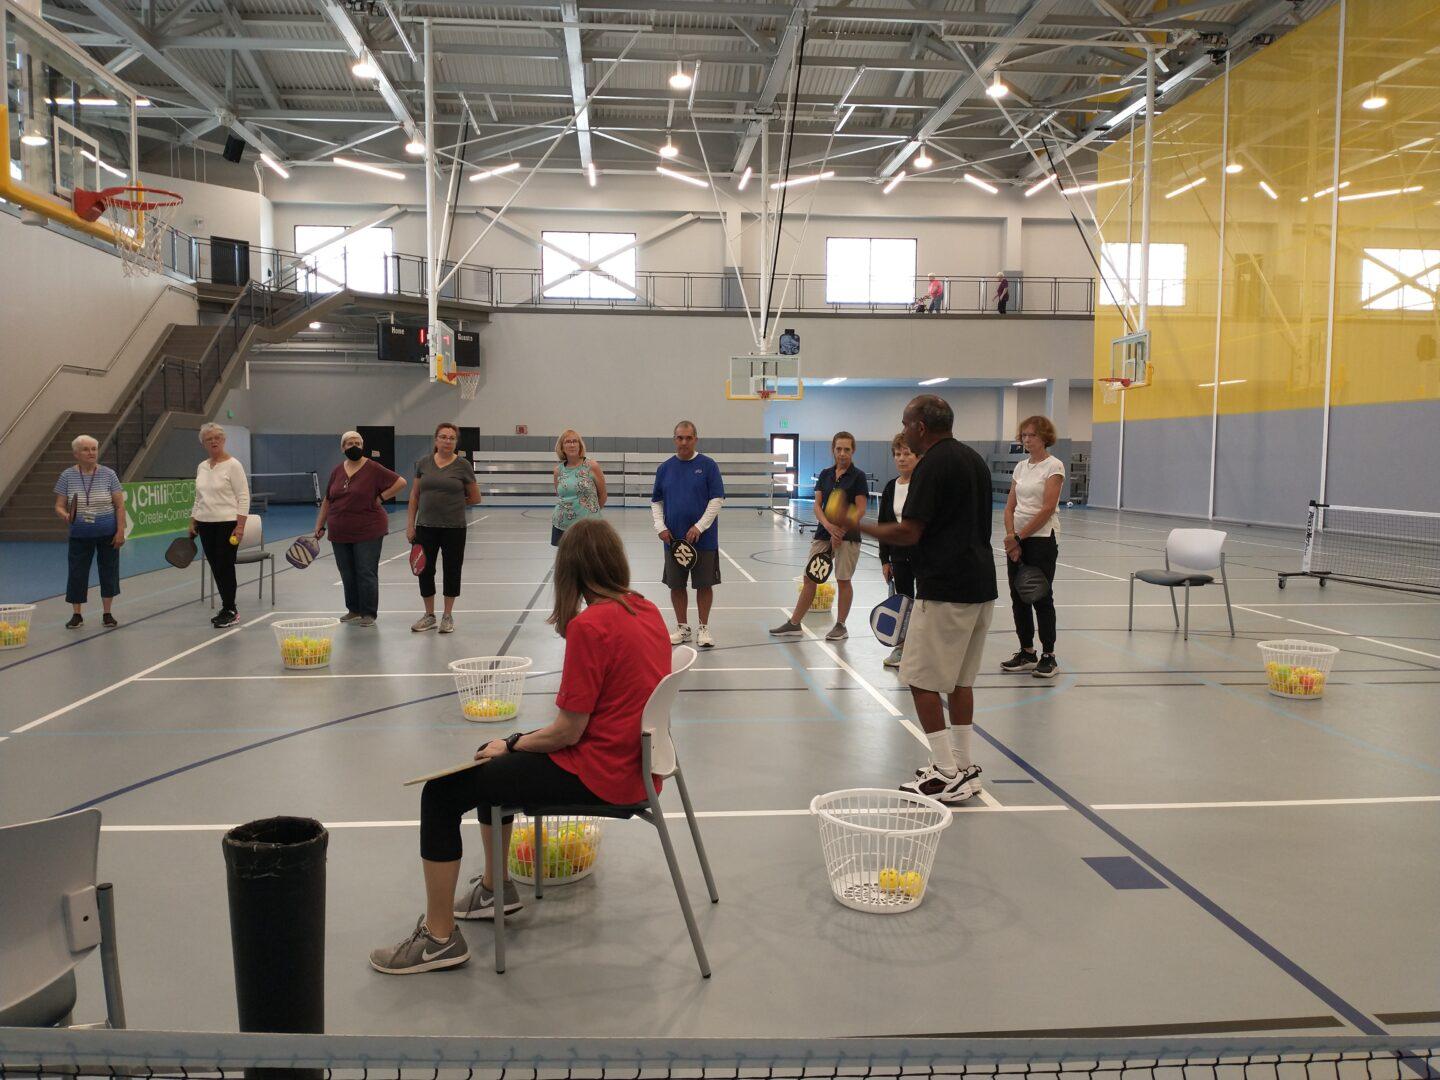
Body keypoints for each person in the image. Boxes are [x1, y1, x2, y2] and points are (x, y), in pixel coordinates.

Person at [369, 517, 672, 975]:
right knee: (495, 761)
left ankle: (438, 938)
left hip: (602, 774)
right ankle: (494, 888)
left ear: (568, 570)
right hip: (640, 764)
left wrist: (513, 742)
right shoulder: (646, 609)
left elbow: (567, 732)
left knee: (443, 794)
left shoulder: (592, 627)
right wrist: (512, 748)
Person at [856, 395, 997, 804]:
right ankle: (964, 765)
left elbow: (909, 532)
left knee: (918, 679)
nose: (902, 430)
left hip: (945, 589)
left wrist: (857, 525)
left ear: (920, 427)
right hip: (981, 586)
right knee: (959, 681)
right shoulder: (973, 460)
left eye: (905, 423)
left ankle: (944, 772)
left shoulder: (931, 465)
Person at [770, 431, 867, 641]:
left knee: (843, 580)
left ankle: (841, 625)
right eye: (839, 449)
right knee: (810, 577)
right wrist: (829, 526)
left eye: (847, 450)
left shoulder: (858, 476)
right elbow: (817, 505)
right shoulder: (825, 474)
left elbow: (860, 509)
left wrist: (841, 528)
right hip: (824, 533)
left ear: (853, 451)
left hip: (847, 536)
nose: (842, 453)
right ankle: (794, 623)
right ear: (833, 449)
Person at [314, 430, 406, 627]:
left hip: (369, 529)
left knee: (365, 571)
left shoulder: (374, 468)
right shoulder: (337, 471)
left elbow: (401, 482)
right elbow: (328, 499)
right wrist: (319, 525)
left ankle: (368, 613)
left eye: (357, 443)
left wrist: (381, 498)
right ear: (342, 448)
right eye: (349, 443)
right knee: (346, 571)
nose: (353, 446)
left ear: (362, 446)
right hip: (339, 530)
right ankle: (353, 609)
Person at [1001, 415, 1065, 678]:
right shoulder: (1020, 467)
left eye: (1032, 435)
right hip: (1017, 539)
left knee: (1039, 596)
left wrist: (1020, 537)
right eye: (1024, 435)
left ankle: (1049, 655)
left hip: (1041, 539)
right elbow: (1010, 506)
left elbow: (1047, 508)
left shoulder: (1054, 466)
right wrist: (1010, 536)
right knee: (1018, 597)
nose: (1027, 440)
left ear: (1044, 438)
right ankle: (1027, 651)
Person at [652, 420, 725, 649]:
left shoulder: (708, 465)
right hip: (673, 542)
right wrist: (660, 527)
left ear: (695, 439)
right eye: (680, 438)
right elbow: (656, 502)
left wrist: (699, 527)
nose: (684, 442)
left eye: (688, 438)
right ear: (675, 440)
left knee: (704, 585)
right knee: (676, 585)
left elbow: (717, 500)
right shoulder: (664, 468)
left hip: (704, 540)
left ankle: (703, 628)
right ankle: (682, 627)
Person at [406, 422, 480, 634]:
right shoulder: (423, 463)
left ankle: (447, 616)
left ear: (456, 442)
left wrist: (453, 503)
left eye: (452, 438)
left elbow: (475, 497)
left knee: (452, 570)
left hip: (454, 528)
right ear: (436, 440)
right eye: (443, 437)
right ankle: (429, 615)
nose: (447, 441)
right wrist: (410, 525)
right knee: (424, 571)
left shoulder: (463, 466)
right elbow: (415, 495)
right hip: (425, 527)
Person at [52, 435, 126, 629]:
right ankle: (77, 615)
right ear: (76, 453)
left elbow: (119, 506)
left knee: (108, 572)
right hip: (79, 535)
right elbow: (59, 506)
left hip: (107, 534)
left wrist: (120, 531)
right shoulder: (67, 476)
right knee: (77, 573)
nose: (91, 453)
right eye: (86, 449)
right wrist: (66, 515)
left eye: (94, 449)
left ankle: (107, 613)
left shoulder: (109, 474)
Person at [189, 423, 250, 629]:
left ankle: (231, 609)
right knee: (216, 567)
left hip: (227, 524)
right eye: (209, 439)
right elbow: (199, 497)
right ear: (203, 443)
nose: (213, 441)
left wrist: (240, 526)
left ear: (223, 440)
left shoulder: (234, 465)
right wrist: (193, 520)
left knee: (225, 566)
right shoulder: (202, 466)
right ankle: (226, 607)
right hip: (206, 525)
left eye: (217, 437)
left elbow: (243, 496)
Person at [877, 432, 920, 668]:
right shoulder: (891, 487)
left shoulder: (924, 484)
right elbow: (884, 525)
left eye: (907, 453)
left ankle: (923, 649)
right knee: (904, 603)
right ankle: (902, 648)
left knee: (925, 604)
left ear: (917, 456)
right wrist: (885, 559)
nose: (901, 458)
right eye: (897, 454)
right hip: (899, 556)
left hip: (924, 556)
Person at [551, 428, 606, 547]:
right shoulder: (558, 471)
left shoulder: (592, 466)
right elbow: (561, 496)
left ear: (580, 445)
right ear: (561, 447)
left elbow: (603, 495)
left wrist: (591, 513)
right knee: (567, 562)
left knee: (589, 561)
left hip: (588, 525)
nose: (572, 444)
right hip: (562, 524)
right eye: (568, 442)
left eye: (575, 441)